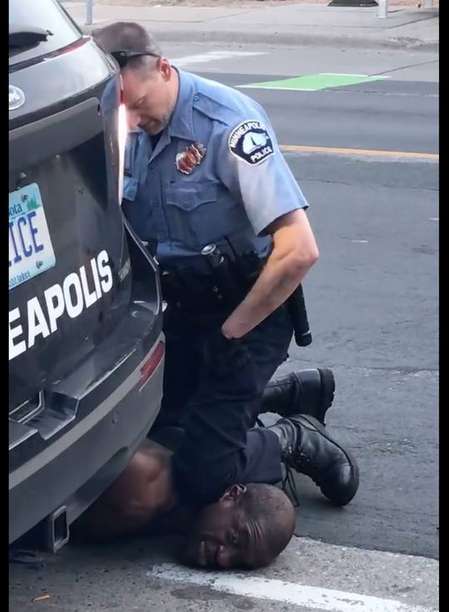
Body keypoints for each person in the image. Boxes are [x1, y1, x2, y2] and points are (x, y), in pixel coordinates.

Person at [93, 22, 359, 509]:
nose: (127, 121)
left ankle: (293, 437)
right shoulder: (120, 125)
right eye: (117, 109)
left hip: (244, 312)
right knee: (154, 430)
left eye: (136, 105)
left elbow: (299, 249)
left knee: (199, 475)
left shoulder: (226, 125)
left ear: (165, 69)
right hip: (180, 310)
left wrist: (232, 333)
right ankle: (282, 394)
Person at [72, 437, 297, 570]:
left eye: (238, 563)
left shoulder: (201, 520)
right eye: (233, 538)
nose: (222, 558)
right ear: (230, 495)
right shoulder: (145, 485)